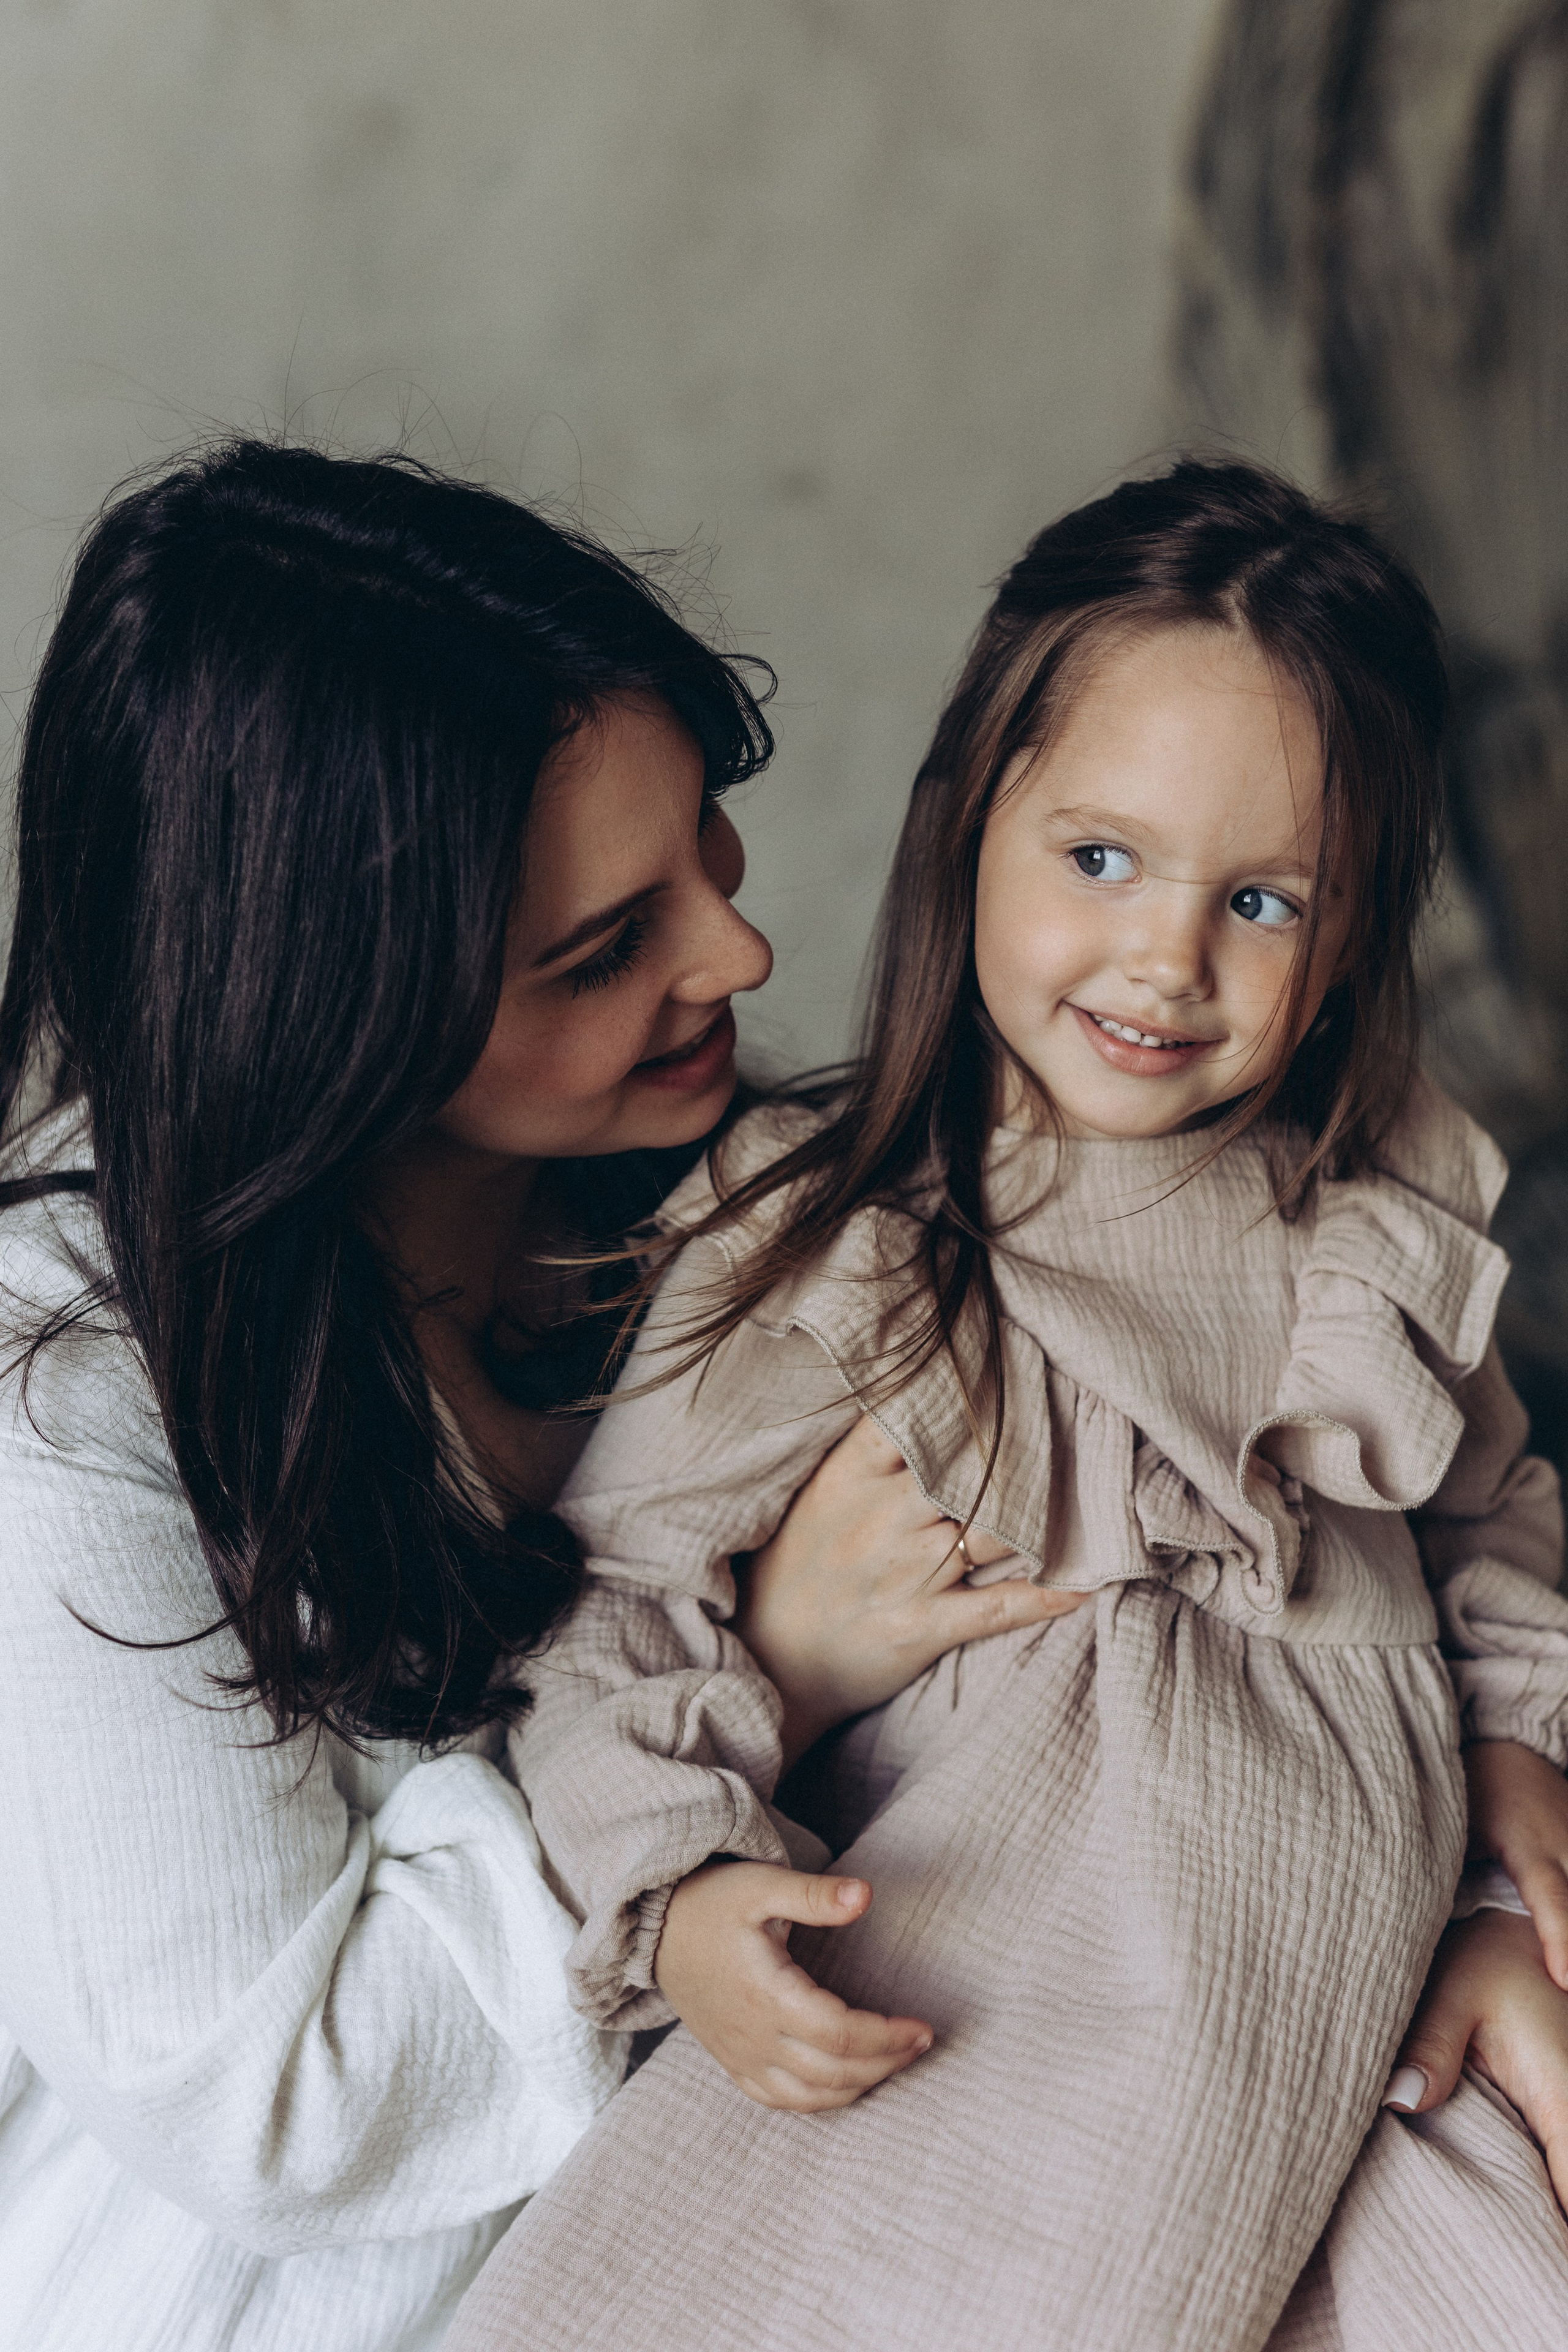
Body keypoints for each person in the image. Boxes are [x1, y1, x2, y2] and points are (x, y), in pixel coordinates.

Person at [445, 460, 1568, 2352]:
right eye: (1100, 858)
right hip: (980, 2015)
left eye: (1266, 901)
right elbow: (617, 1591)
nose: (1166, 959)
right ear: (970, 823)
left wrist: (1521, 1752)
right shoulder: (835, 1234)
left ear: (1356, 931)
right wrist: (688, 1894)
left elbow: (1490, 1513)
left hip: (1339, 2026)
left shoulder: (1369, 1234)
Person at [0, 440, 1085, 2352]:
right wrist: (757, 1671)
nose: (740, 958)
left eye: (708, 852)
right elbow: (278, 2095)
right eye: (605, 950)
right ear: (325, 1004)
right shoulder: (76, 1403)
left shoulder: (720, 1203)